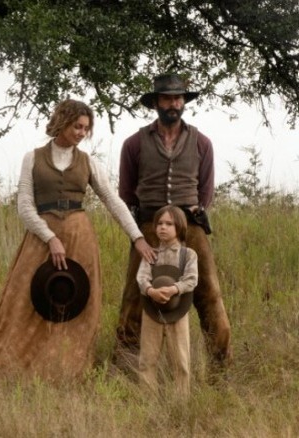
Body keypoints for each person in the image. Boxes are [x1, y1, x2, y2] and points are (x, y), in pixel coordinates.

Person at [0, 99, 155, 380]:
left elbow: (112, 200)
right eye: (76, 126)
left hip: (80, 238)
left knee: (74, 304)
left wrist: (138, 237)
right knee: (24, 302)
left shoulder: (88, 162)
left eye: (86, 128)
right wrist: (50, 237)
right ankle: (15, 368)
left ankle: (66, 371)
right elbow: (24, 205)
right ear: (62, 122)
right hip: (40, 238)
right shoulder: (32, 158)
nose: (81, 133)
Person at [113, 73, 232, 376]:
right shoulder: (133, 143)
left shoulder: (201, 142)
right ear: (155, 103)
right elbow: (126, 192)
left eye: (178, 98)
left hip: (190, 227)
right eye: (167, 98)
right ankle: (126, 368)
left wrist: (189, 216)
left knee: (209, 295)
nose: (174, 103)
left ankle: (220, 369)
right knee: (135, 296)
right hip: (148, 228)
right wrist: (142, 230)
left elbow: (206, 191)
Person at [137, 205, 197, 396]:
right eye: (160, 223)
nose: (163, 227)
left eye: (169, 224)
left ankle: (181, 402)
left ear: (179, 227)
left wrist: (174, 289)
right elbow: (141, 278)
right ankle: (147, 401)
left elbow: (192, 279)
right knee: (147, 359)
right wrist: (151, 291)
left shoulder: (188, 255)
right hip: (152, 312)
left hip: (178, 312)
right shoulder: (151, 254)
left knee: (180, 360)